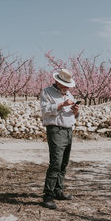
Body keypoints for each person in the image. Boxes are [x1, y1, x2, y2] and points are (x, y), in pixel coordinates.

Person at [39, 68, 80, 209]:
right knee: (55, 163)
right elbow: (45, 110)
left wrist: (76, 111)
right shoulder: (47, 92)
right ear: (57, 81)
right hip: (55, 130)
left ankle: (58, 190)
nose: (66, 88)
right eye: (64, 84)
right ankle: (47, 196)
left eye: (68, 85)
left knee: (63, 163)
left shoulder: (69, 94)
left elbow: (73, 115)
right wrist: (62, 104)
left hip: (68, 130)